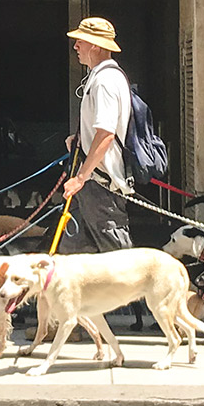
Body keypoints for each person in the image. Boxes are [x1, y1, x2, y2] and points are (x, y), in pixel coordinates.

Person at [60, 16, 135, 254]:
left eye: (80, 41)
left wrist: (80, 178)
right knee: (74, 260)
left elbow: (106, 135)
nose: (75, 46)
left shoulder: (105, 81)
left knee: (118, 261)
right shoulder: (100, 77)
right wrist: (80, 142)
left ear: (95, 45)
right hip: (91, 185)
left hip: (100, 186)